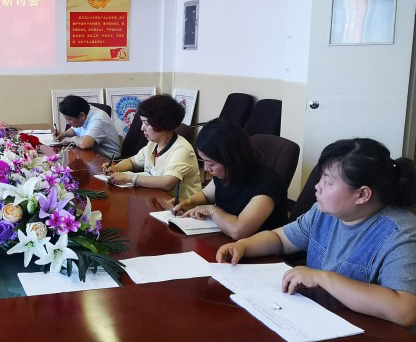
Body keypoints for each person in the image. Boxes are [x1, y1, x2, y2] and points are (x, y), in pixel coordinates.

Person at [216, 138, 416, 327]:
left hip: (363, 330)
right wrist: (244, 246)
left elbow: (405, 311)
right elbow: (280, 239)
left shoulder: (400, 235)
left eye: (328, 182)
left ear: (362, 194)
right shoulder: (325, 213)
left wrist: (322, 278)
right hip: (315, 317)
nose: (317, 187)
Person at [171, 118, 287, 240]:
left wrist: (212, 210)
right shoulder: (226, 173)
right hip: (225, 239)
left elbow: (238, 231)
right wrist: (188, 203)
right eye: (204, 161)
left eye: (211, 164)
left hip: (258, 247)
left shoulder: (269, 184)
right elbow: (206, 196)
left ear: (231, 159)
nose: (206, 168)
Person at [103, 94, 201, 201]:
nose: (142, 128)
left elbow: (167, 183)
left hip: (182, 207)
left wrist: (129, 178)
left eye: (146, 123)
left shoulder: (182, 149)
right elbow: (133, 162)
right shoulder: (153, 144)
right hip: (156, 200)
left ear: (162, 124)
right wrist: (115, 168)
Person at [55, 95, 121, 159]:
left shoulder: (98, 120)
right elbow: (75, 130)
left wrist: (73, 139)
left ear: (81, 115)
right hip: (94, 155)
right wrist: (63, 135)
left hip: (110, 160)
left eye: (69, 119)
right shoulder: (84, 111)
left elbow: (84, 144)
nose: (68, 123)